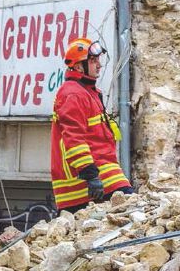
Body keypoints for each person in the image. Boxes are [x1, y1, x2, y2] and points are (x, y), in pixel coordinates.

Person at [50, 37, 132, 211]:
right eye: (93, 61)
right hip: (86, 179)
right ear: (79, 66)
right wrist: (90, 175)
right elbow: (74, 138)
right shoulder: (73, 93)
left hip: (104, 169)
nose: (99, 65)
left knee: (130, 211)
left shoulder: (88, 92)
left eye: (98, 60)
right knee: (131, 209)